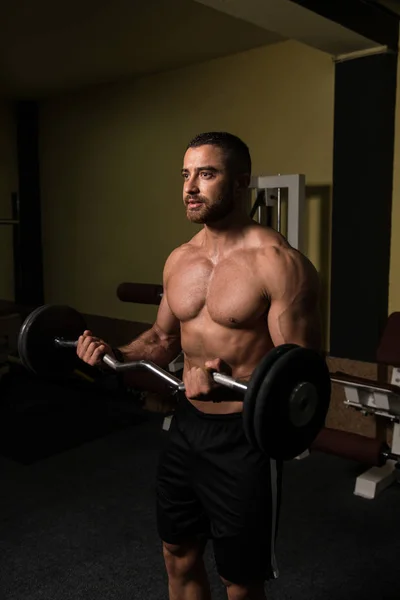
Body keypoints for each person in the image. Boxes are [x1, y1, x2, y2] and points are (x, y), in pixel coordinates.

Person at [77, 132, 322, 600]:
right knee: (177, 551)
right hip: (186, 428)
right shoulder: (180, 259)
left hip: (244, 441)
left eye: (206, 174)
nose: (190, 187)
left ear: (240, 183)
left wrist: (229, 386)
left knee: (240, 580)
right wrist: (116, 354)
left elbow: (301, 379)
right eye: (186, 175)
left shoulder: (278, 264)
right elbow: (162, 339)